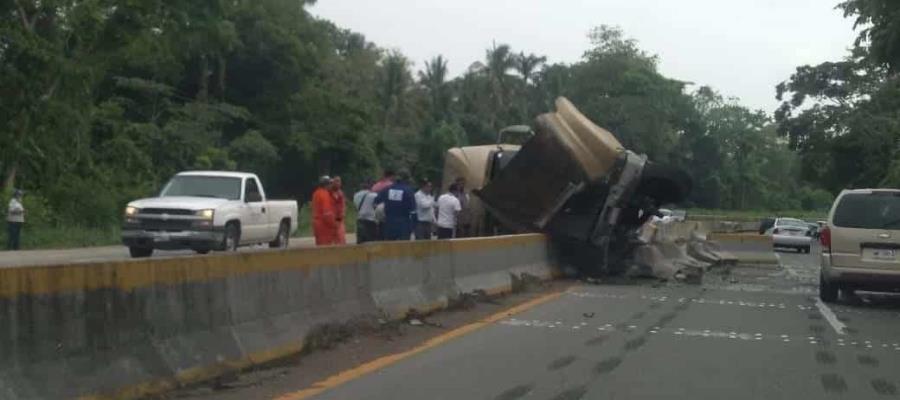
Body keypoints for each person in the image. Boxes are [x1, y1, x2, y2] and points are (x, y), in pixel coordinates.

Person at [374, 170, 416, 241]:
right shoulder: (408, 191)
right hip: (404, 224)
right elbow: (413, 210)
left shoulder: (386, 189)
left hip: (389, 224)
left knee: (389, 248)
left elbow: (376, 202)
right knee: (403, 248)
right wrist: (413, 226)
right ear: (406, 180)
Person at [311, 176, 339, 246]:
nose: (331, 186)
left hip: (316, 223)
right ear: (326, 185)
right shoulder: (325, 194)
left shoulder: (316, 193)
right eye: (330, 184)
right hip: (324, 225)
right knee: (326, 250)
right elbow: (327, 214)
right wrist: (334, 225)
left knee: (319, 248)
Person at [331, 176, 347, 244]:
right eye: (336, 181)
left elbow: (343, 205)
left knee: (341, 238)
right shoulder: (329, 193)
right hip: (332, 219)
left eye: (339, 181)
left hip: (339, 219)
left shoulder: (340, 193)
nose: (338, 183)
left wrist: (342, 213)